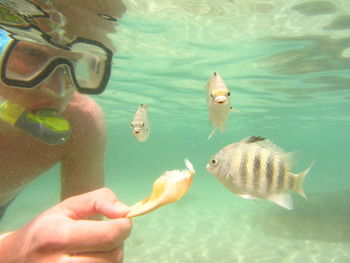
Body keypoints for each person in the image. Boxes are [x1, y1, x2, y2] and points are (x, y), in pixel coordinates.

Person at [0, 0, 131, 262]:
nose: (59, 89)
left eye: (76, 61)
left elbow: (85, 240)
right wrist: (14, 251)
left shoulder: (81, 122)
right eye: (33, 55)